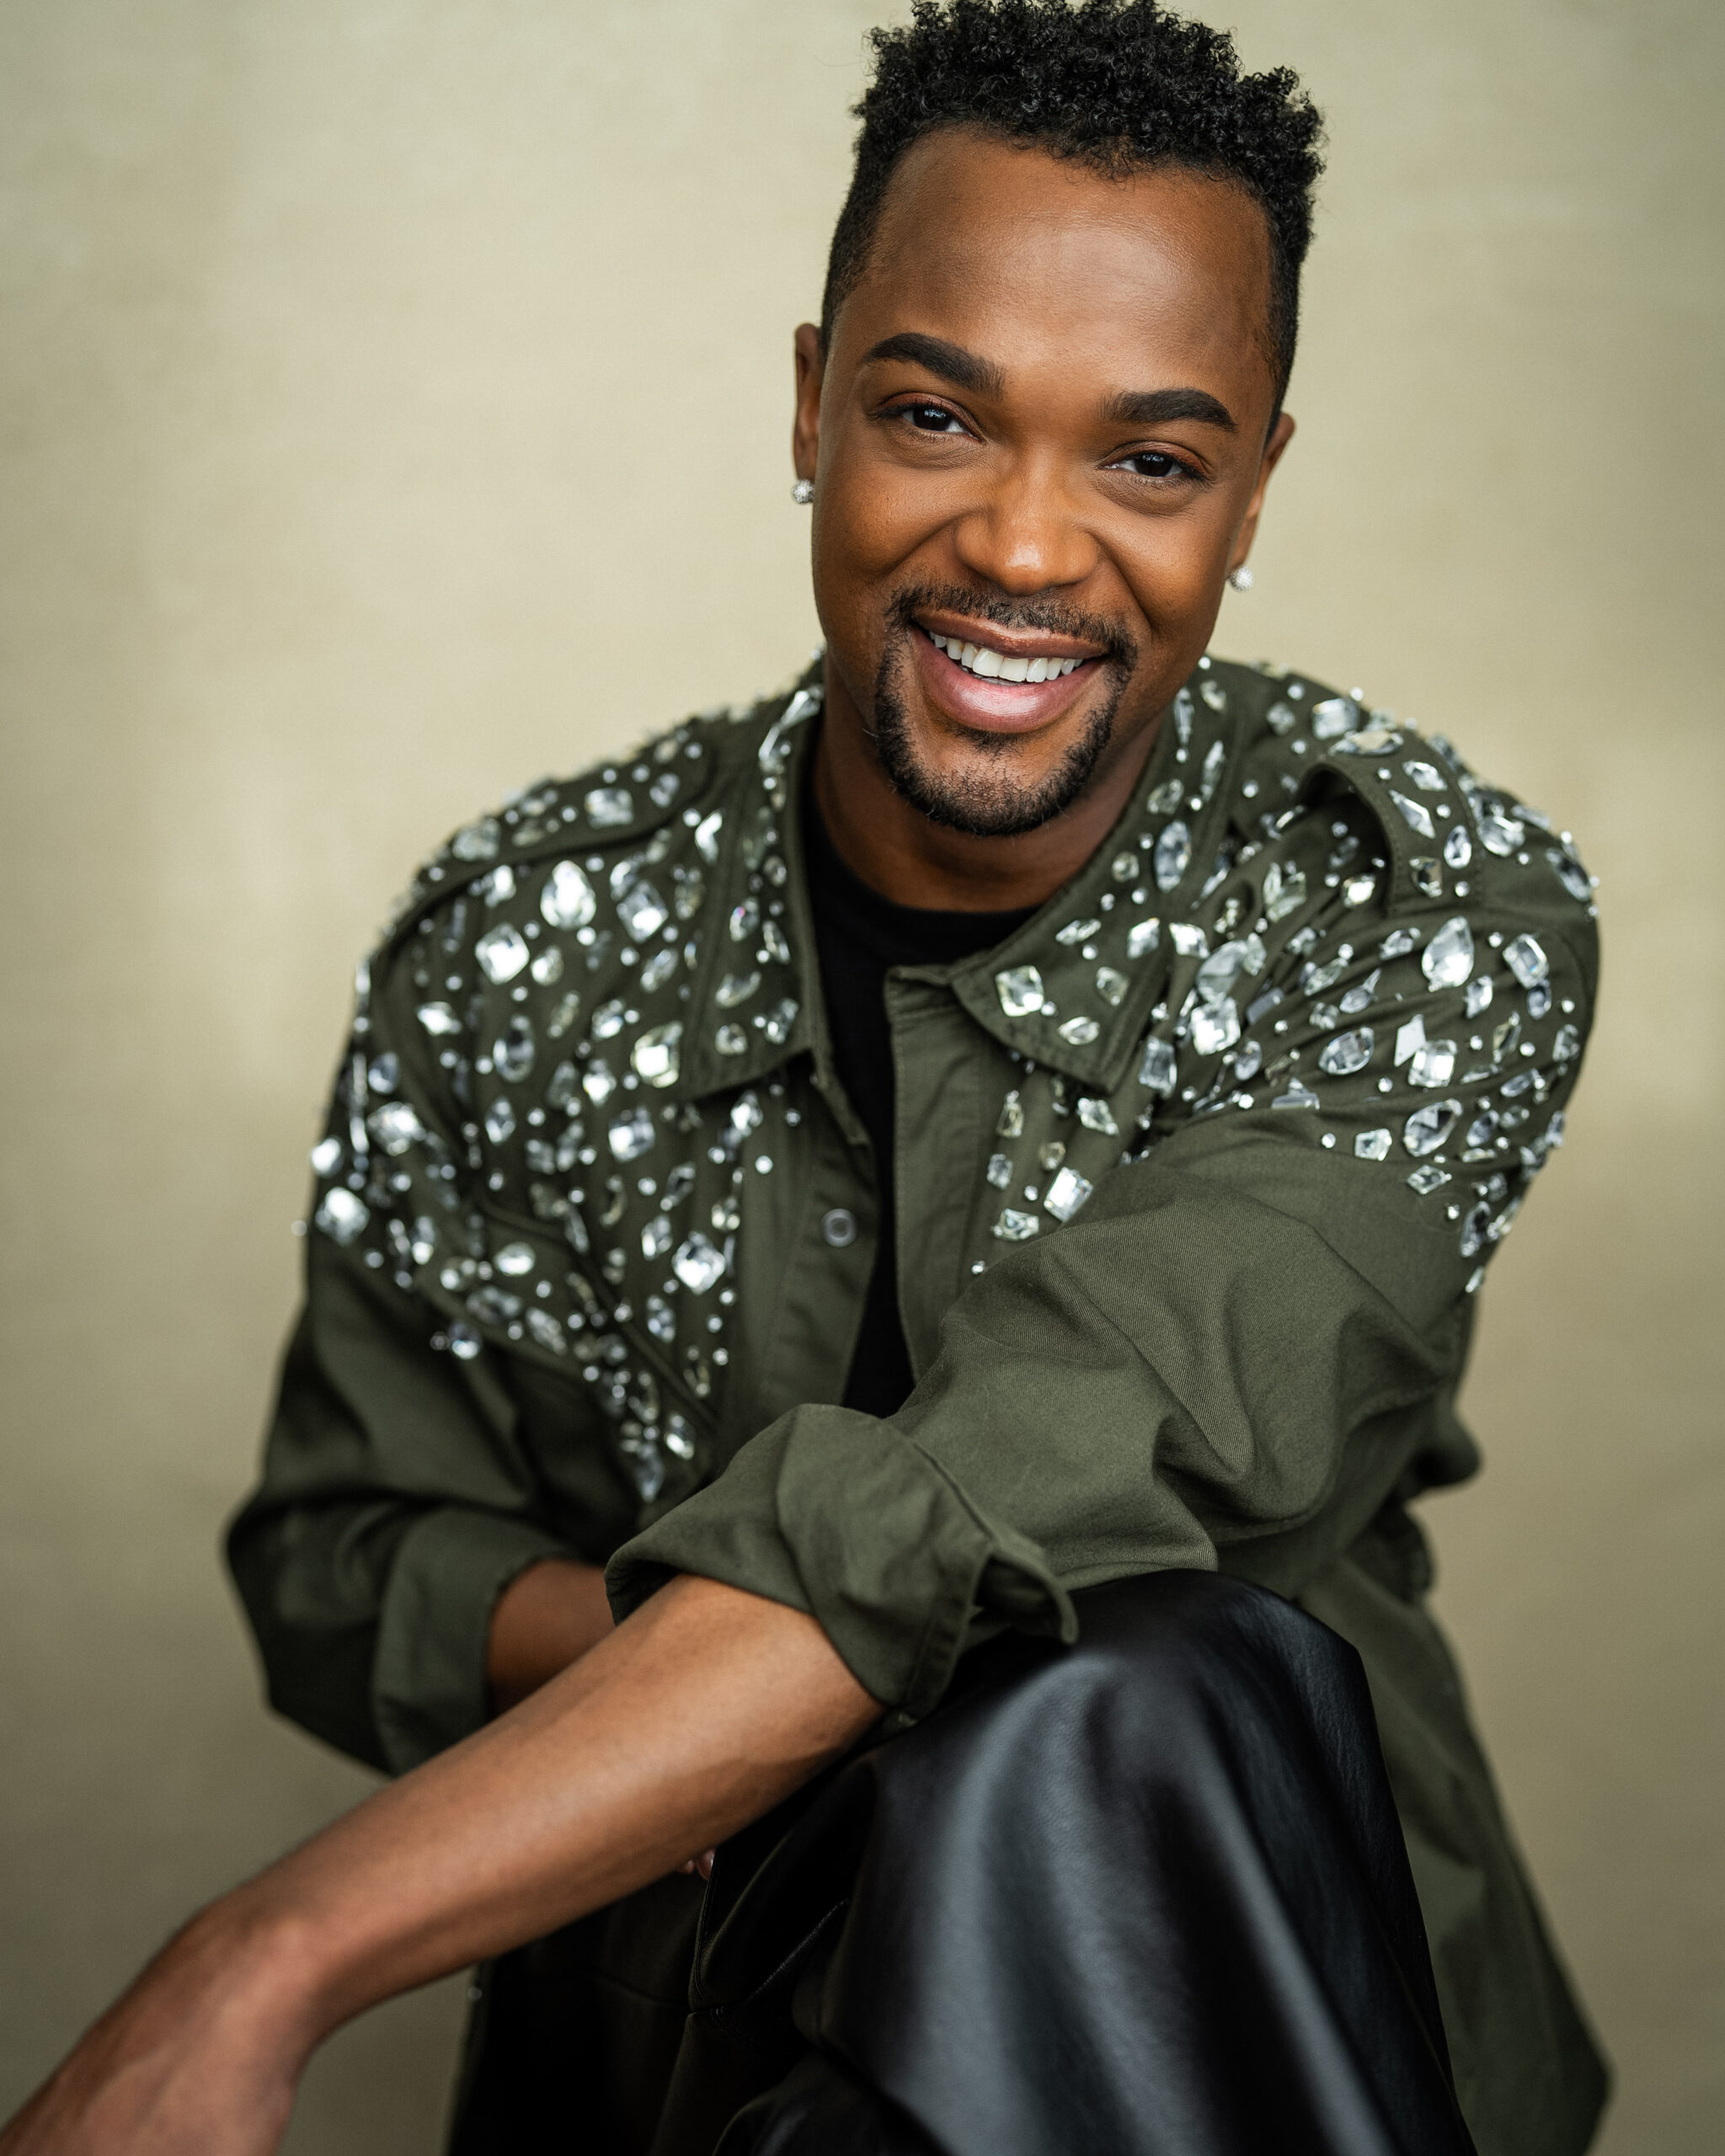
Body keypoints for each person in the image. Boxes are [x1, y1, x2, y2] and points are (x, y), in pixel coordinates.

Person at [2, 3, 1610, 2153]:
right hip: (658, 2045)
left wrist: (261, 1953)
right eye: (937, 414)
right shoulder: (523, 928)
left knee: (1136, 1681)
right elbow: (345, 1550)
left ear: (1252, 489)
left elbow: (1000, 1488)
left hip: (1211, 2027)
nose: (1030, 549)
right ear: (808, 399)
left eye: (1150, 456)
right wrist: (738, 1694)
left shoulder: (1412, 910)